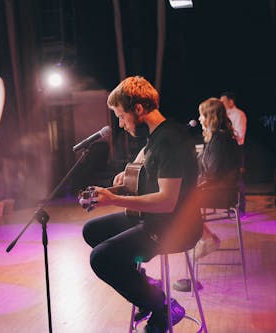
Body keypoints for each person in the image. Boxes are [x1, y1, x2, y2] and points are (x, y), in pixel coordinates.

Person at [81, 76, 202, 333]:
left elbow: (167, 201)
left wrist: (112, 199)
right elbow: (147, 161)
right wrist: (123, 178)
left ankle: (162, 307)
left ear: (138, 109)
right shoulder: (159, 135)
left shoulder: (169, 141)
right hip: (156, 218)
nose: (121, 125)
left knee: (101, 258)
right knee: (91, 231)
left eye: (121, 116)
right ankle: (145, 290)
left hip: (174, 227)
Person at [173, 97, 240, 292]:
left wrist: (191, 180)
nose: (199, 119)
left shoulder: (219, 139)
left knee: (180, 200)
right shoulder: (220, 137)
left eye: (202, 115)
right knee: (181, 198)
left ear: (210, 116)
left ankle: (207, 239)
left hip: (221, 193)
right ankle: (204, 238)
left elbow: (212, 172)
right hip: (220, 189)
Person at [220, 91, 247, 214]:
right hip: (226, 150)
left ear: (231, 102)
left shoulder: (238, 114)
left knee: (238, 180)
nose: (221, 104)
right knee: (228, 179)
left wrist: (226, 135)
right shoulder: (223, 115)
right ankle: (231, 208)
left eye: (223, 102)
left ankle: (241, 209)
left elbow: (240, 135)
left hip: (236, 150)